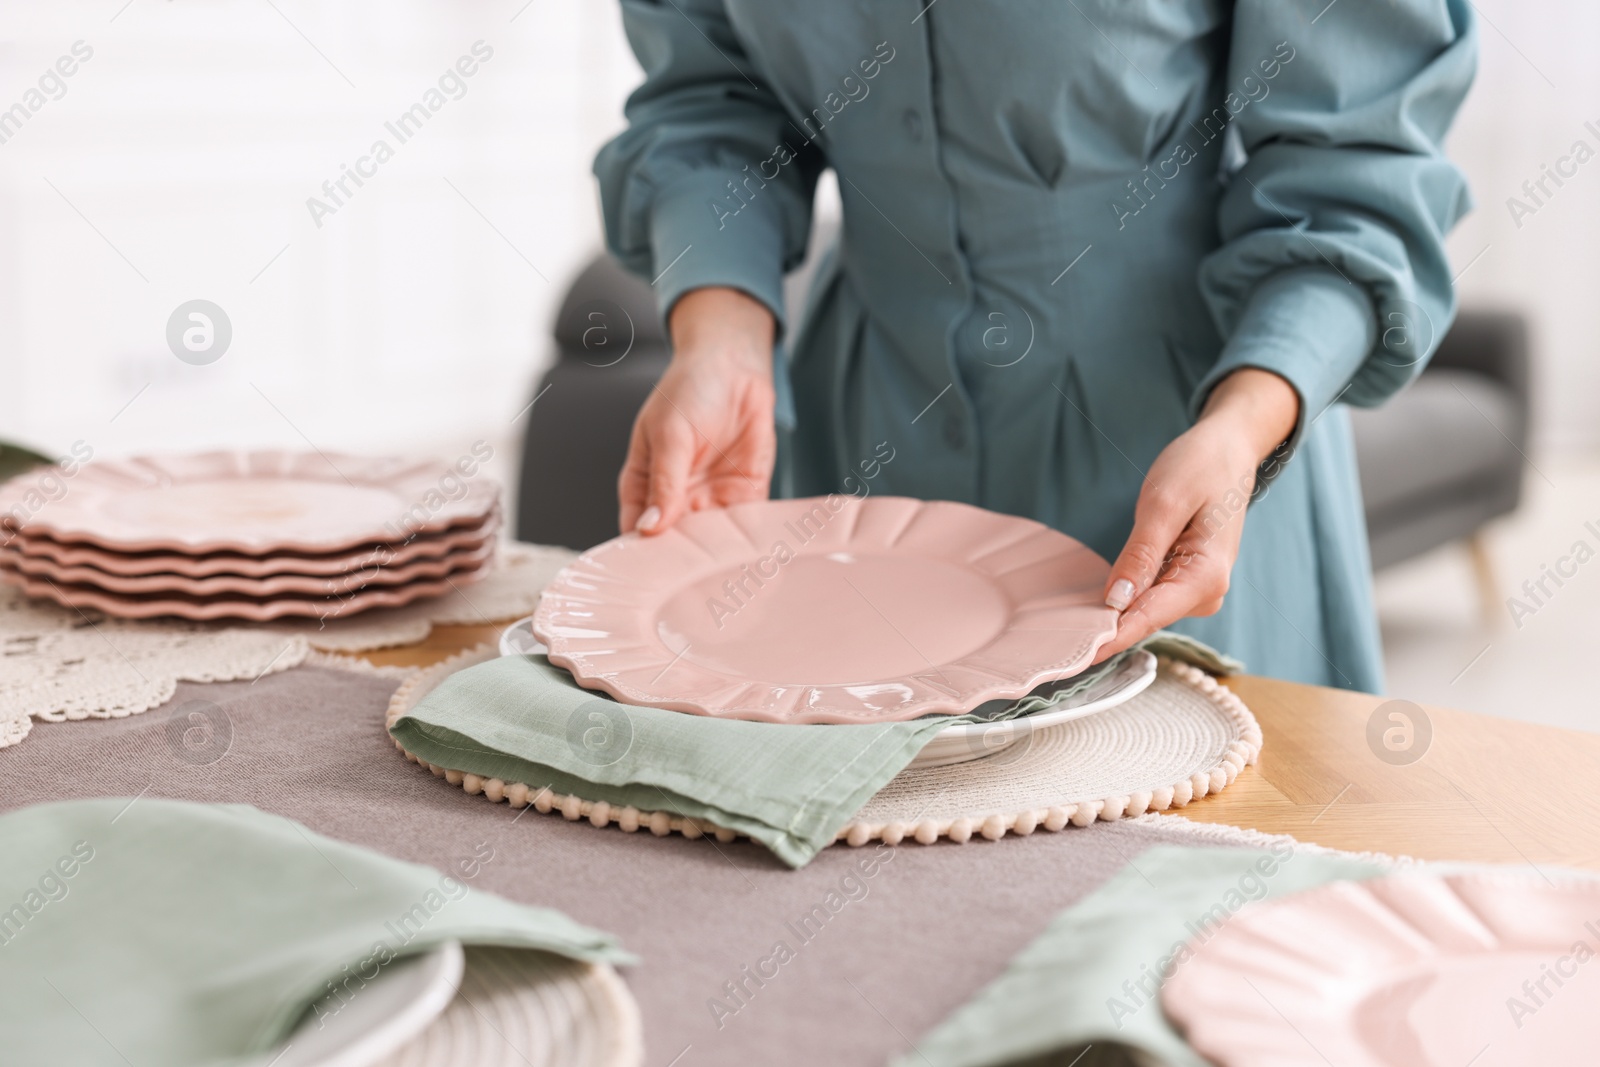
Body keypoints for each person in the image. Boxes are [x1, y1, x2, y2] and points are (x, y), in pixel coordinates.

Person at [593, 1, 1476, 692]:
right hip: (859, 447)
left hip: (1189, 463)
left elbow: (1353, 176)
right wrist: (722, 341)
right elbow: (715, 102)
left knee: (1184, 889)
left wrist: (1244, 426)